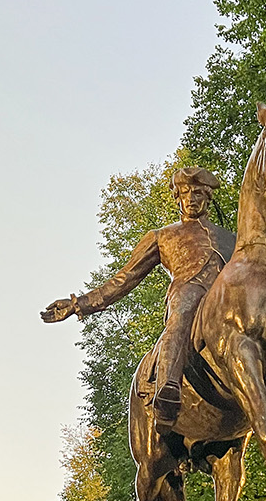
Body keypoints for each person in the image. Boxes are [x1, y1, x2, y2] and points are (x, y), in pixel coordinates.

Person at [42, 166, 234, 431]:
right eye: (186, 192)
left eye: (198, 193)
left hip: (227, 301)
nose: (192, 198)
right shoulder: (161, 236)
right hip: (188, 292)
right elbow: (125, 278)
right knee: (182, 313)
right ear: (177, 197)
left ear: (207, 198)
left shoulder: (231, 239)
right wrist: (78, 304)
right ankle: (168, 388)